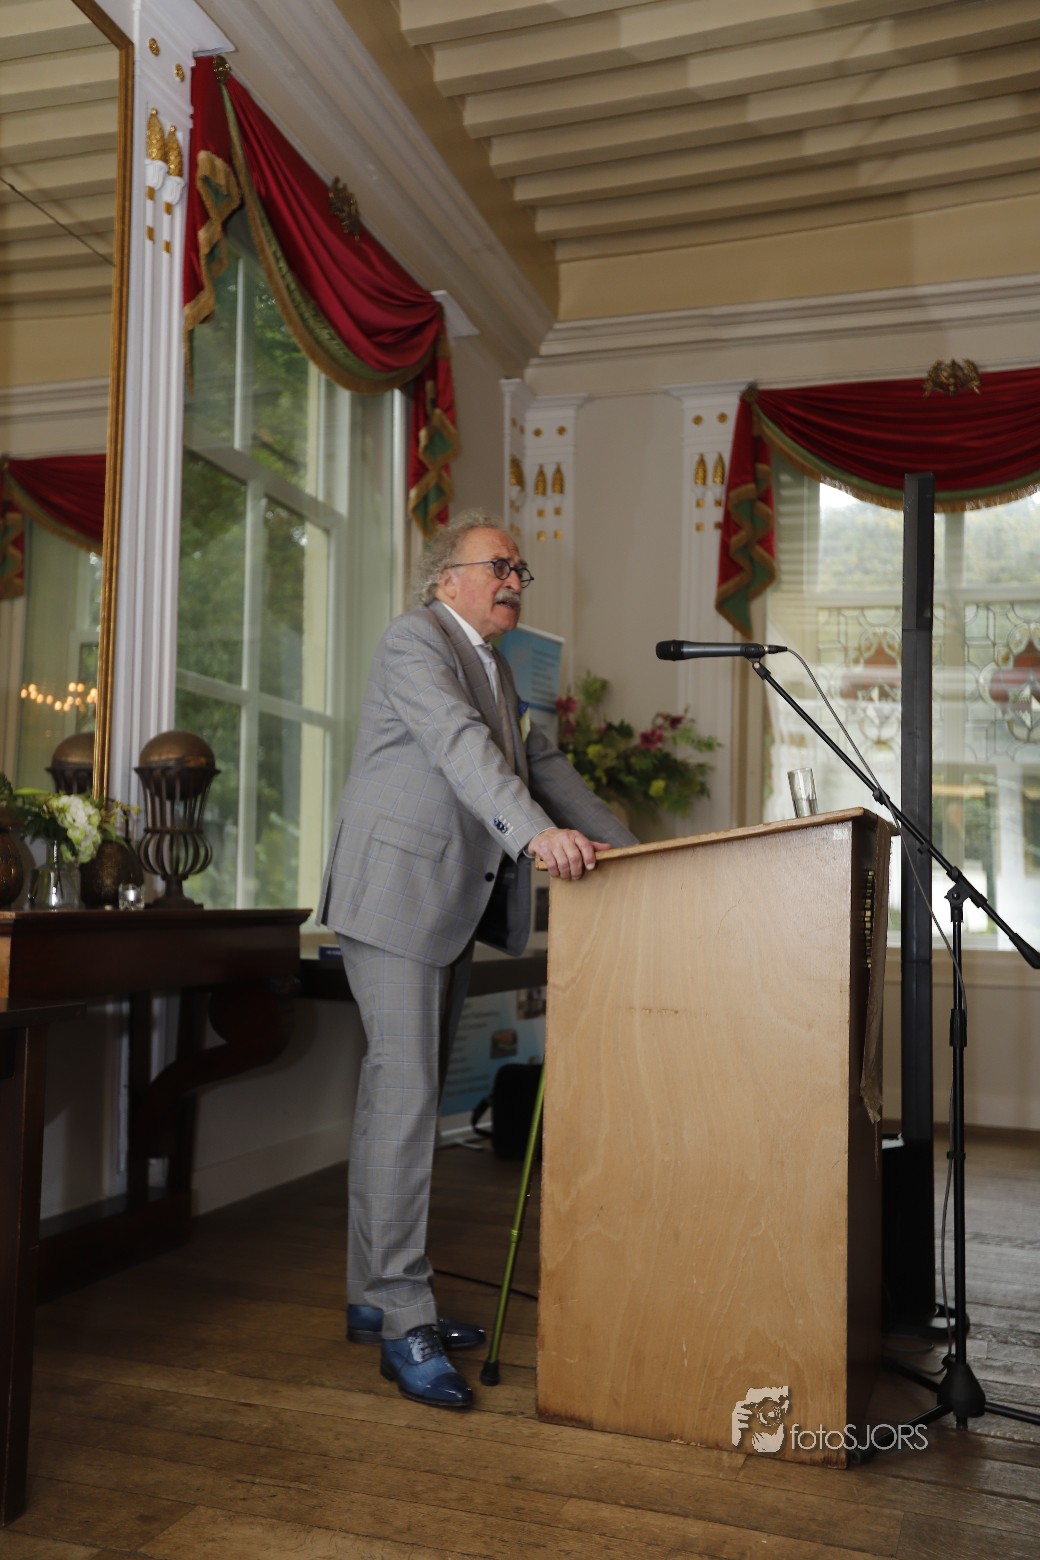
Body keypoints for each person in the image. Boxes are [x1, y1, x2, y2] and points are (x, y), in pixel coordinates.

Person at [318, 509, 637, 1410]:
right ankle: (404, 1317)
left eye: (519, 570)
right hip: (394, 897)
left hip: (445, 905)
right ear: (444, 579)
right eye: (499, 565)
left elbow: (549, 771)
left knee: (395, 1098)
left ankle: (371, 1295)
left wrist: (642, 852)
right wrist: (537, 838)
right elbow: (461, 750)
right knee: (409, 1096)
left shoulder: (496, 668)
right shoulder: (414, 642)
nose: (514, 581)